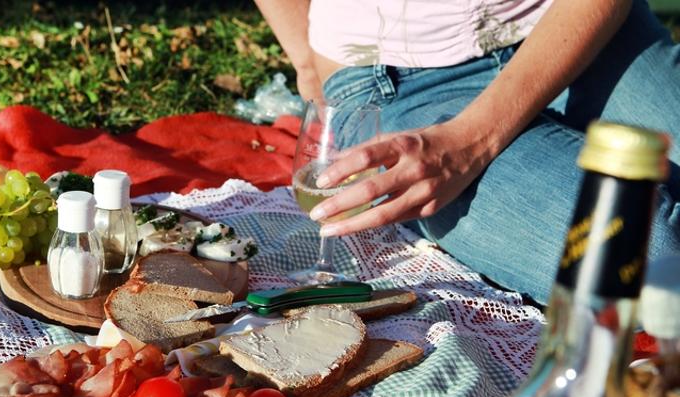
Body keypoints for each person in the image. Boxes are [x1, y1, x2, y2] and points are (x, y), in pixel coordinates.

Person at [254, 0, 680, 305]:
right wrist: (308, 63)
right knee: (646, 261)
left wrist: (473, 141)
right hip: (395, 76)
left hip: (577, 26)